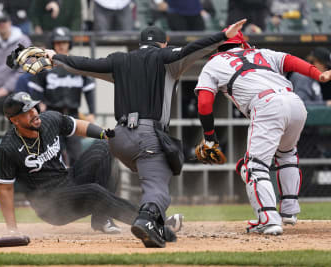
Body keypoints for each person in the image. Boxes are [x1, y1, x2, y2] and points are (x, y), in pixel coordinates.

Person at [43, 19, 246, 247]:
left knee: (128, 175)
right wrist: (223, 35)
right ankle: (148, 219)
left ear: (139, 44)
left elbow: (84, 63)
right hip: (146, 135)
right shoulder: (166, 57)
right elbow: (194, 48)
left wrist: (55, 57)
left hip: (118, 138)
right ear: (164, 43)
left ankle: (143, 219)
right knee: (158, 188)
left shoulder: (119, 60)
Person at [194, 30, 331, 235]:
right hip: (294, 102)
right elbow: (291, 61)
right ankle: (289, 210)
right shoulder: (263, 52)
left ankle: (268, 219)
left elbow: (204, 104)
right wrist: (317, 74)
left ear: (218, 46)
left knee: (253, 166)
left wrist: (210, 137)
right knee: (287, 154)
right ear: (242, 45)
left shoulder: (213, 63)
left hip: (266, 105)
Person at [0, 92, 182, 239]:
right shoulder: (8, 148)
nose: (34, 113)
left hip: (67, 180)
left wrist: (105, 134)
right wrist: (12, 230)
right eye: (26, 111)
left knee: (104, 146)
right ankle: (153, 223)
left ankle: (101, 220)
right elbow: (5, 189)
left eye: (33, 108)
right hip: (51, 205)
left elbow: (76, 126)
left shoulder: (49, 120)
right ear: (14, 120)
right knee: (93, 192)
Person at [28, 27, 96, 166]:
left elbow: (89, 89)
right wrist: (38, 109)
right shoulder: (44, 66)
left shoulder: (78, 64)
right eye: (58, 42)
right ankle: (56, 185)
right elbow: (35, 92)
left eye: (64, 42)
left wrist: (92, 112)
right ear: (52, 44)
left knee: (75, 154)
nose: (61, 45)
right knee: (53, 153)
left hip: (73, 115)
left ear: (69, 43)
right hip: (52, 115)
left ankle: (75, 184)